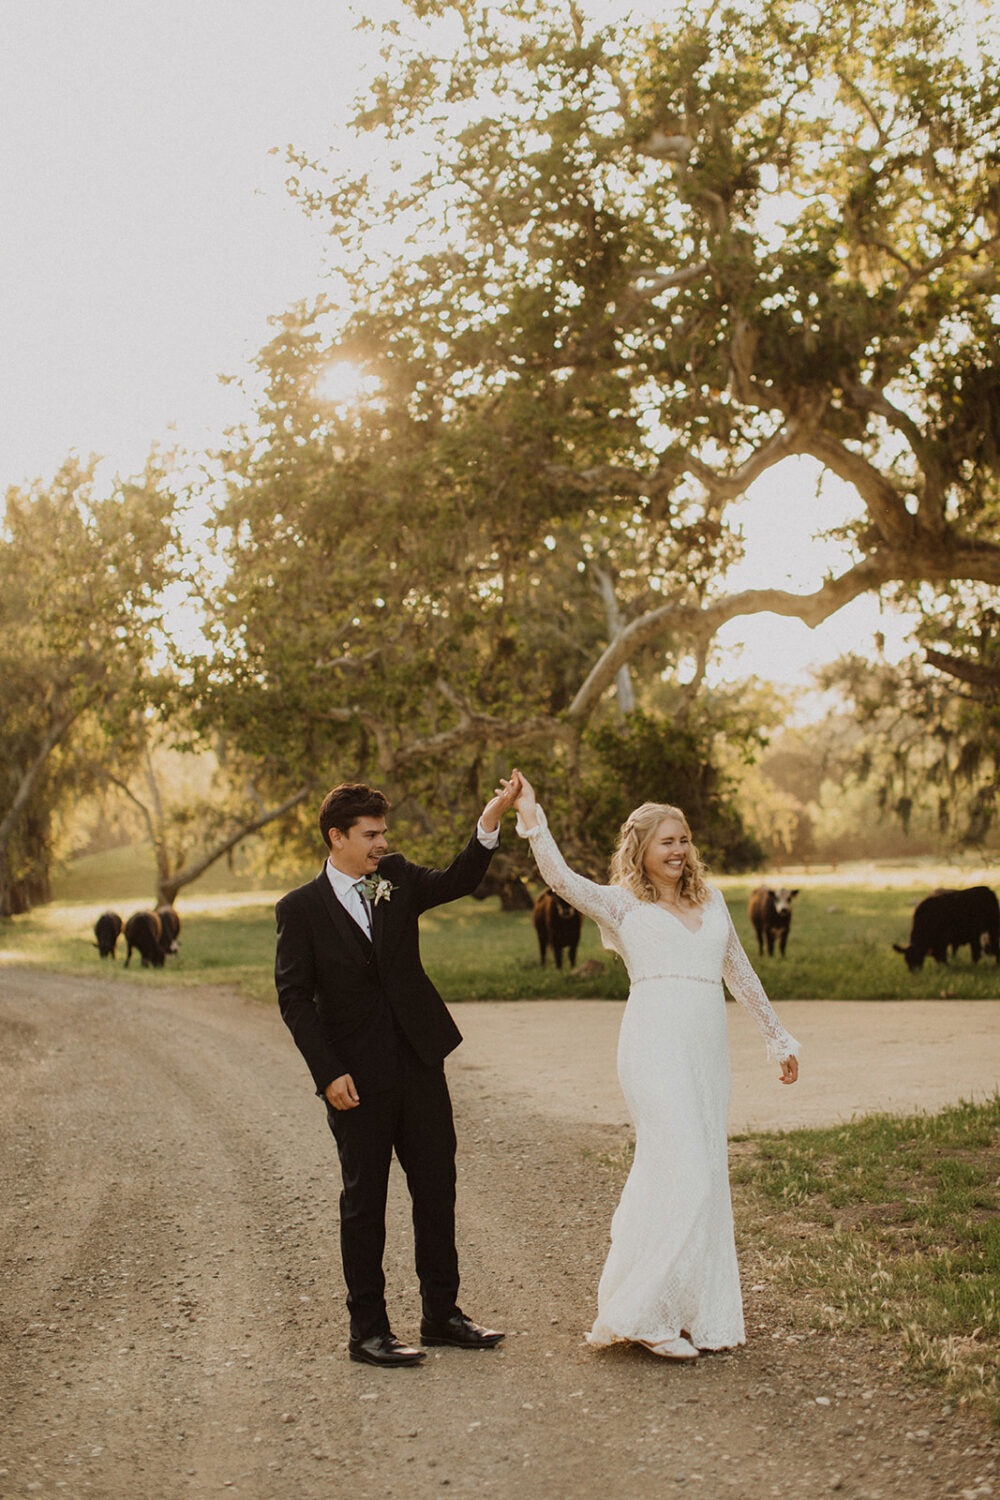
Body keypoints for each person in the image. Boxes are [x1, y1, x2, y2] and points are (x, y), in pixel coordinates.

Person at [507, 770, 799, 1360]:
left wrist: (778, 1037)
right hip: (651, 1047)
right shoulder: (622, 905)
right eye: (666, 841)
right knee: (685, 1165)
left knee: (698, 1171)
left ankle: (688, 1307)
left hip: (705, 1053)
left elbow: (739, 972)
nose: (678, 850)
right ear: (640, 849)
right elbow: (560, 880)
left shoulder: (711, 901)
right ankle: (646, 1314)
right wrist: (531, 816)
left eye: (684, 840)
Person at [275, 779, 519, 1368]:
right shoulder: (300, 909)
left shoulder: (397, 877)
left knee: (436, 1189)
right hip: (355, 1081)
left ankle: (442, 1315)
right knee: (365, 1203)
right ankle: (368, 1332)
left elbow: (459, 879)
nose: (382, 842)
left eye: (384, 832)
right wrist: (328, 1073)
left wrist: (489, 822)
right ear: (337, 837)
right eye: (371, 834)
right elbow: (294, 999)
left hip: (419, 1061)